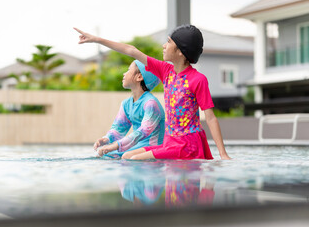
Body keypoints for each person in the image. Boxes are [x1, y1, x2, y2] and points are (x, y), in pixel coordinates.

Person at [74, 24, 231, 160]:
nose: (164, 45)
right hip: (170, 142)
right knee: (127, 156)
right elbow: (131, 50)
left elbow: (210, 118)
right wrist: (96, 40)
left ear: (180, 52)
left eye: (169, 42)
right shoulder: (166, 71)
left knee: (134, 159)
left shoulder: (198, 79)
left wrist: (222, 154)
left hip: (187, 145)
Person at [93, 60, 165, 158]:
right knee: (104, 155)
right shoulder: (126, 104)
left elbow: (142, 132)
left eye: (128, 70)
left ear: (139, 77)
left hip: (153, 147)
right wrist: (106, 139)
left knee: (125, 156)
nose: (124, 73)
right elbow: (118, 129)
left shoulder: (150, 103)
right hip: (137, 145)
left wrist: (116, 145)